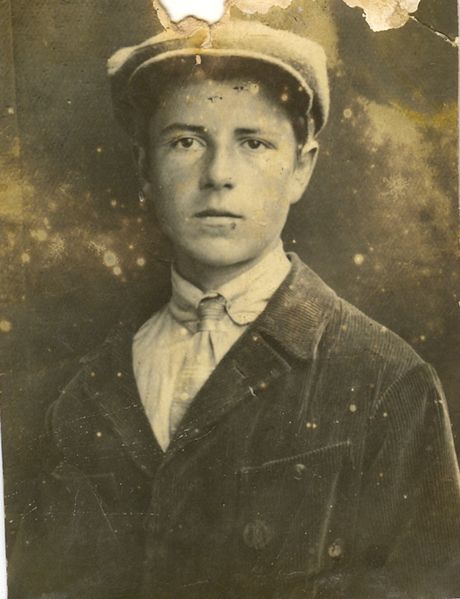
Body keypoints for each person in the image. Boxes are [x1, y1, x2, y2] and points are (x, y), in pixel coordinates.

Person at [9, 19, 460, 599]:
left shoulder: (387, 383)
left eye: (254, 143)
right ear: (145, 169)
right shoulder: (82, 392)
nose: (218, 175)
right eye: (186, 141)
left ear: (301, 167)